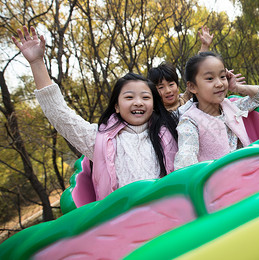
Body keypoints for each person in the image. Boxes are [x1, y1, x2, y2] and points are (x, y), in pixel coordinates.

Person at [12, 26, 178, 201]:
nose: (138, 102)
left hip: (172, 215)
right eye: (129, 97)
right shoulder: (99, 140)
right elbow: (60, 115)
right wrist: (37, 62)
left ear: (153, 104)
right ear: (116, 106)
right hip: (123, 222)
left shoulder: (171, 128)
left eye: (145, 97)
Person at [174, 51, 259, 170]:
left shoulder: (232, 106)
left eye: (222, 77)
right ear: (192, 87)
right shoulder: (190, 122)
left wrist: (237, 87)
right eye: (210, 78)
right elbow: (185, 163)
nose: (220, 84)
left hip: (251, 168)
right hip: (222, 181)